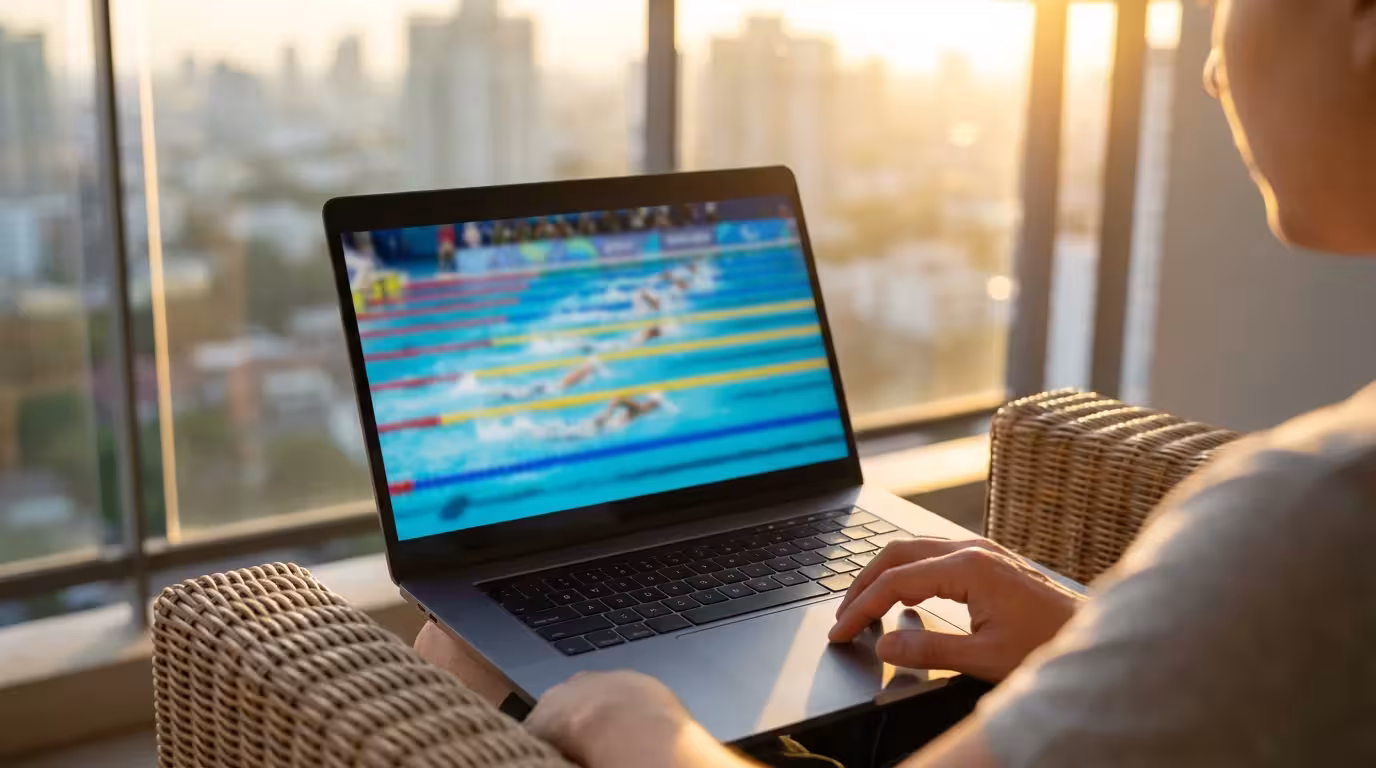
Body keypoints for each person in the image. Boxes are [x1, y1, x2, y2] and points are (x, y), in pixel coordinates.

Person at [416, 2, 1376, 766]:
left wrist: (633, 722)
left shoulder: (1318, 513)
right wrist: (1090, 640)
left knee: (456, 654)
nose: (1210, 64)